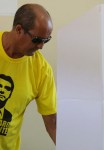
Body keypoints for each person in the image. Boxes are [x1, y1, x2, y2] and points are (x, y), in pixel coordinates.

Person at [0, 3, 57, 150]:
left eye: (46, 40)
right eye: (37, 39)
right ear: (19, 30)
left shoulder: (42, 70)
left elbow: (52, 122)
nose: (41, 46)